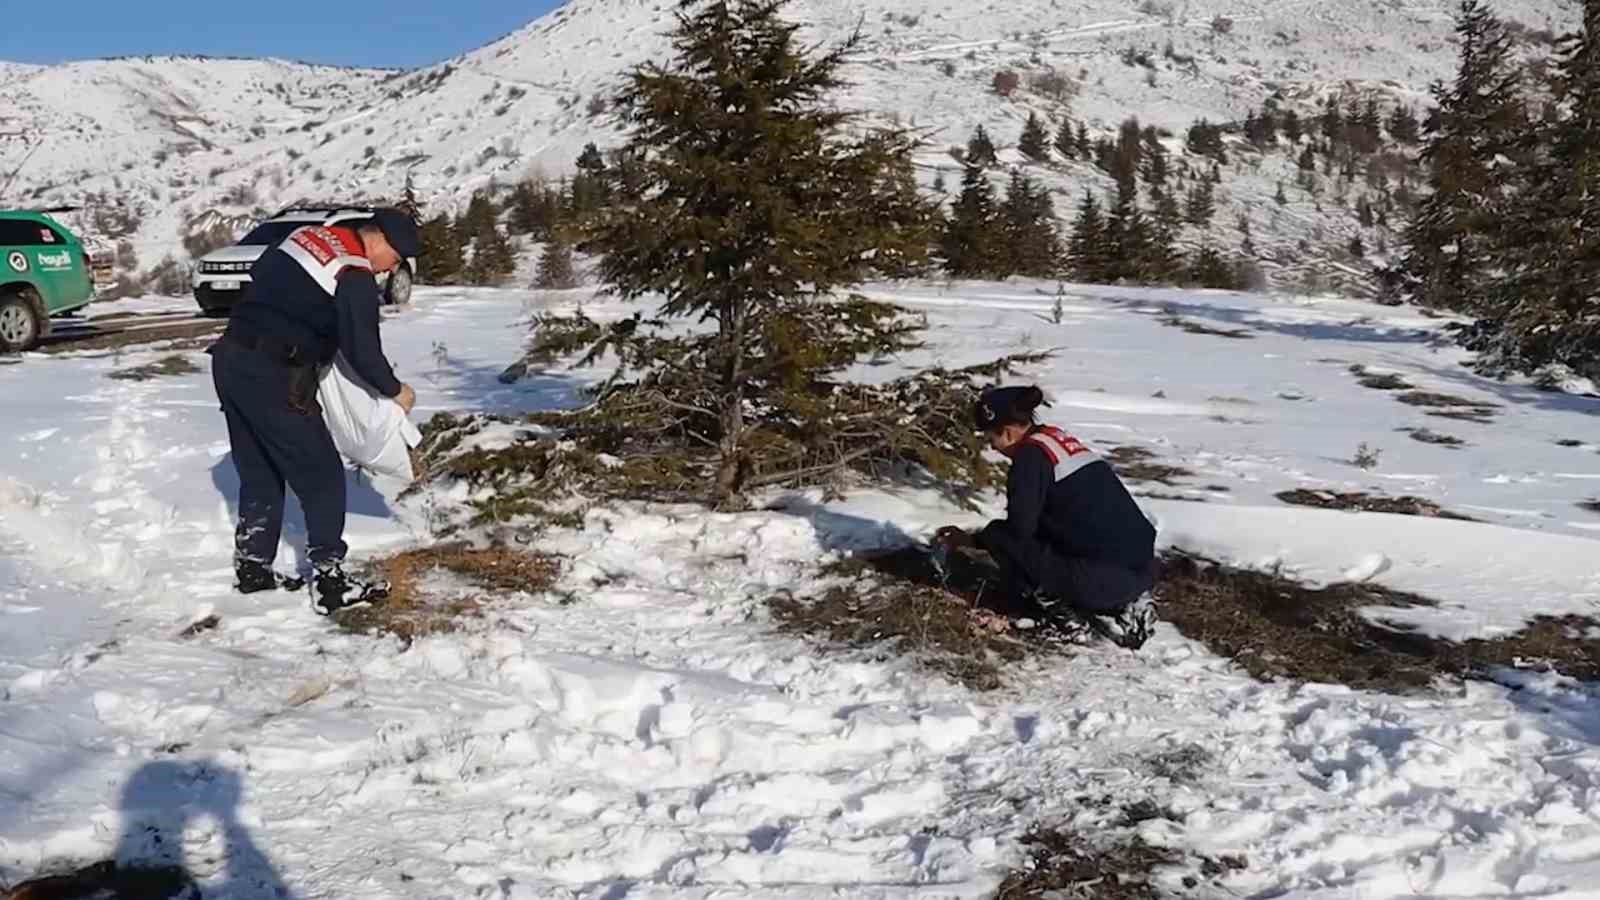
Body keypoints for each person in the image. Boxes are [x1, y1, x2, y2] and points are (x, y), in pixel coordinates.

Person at [209, 208, 418, 615]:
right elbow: (363, 350)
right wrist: (396, 391)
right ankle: (330, 581)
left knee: (260, 469)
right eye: (394, 259)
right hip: (276, 374)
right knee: (323, 475)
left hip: (230, 358)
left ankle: (254, 569)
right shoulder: (353, 273)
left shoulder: (308, 237)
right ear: (379, 241)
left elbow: (269, 281)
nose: (390, 269)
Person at [934, 386, 1158, 649]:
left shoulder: (1029, 458)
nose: (992, 448)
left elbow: (1019, 530)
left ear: (1006, 432)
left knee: (999, 536)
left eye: (990, 438)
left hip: (1102, 582)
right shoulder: (1056, 440)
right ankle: (1130, 601)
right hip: (1143, 567)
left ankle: (1067, 616)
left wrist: (974, 540)